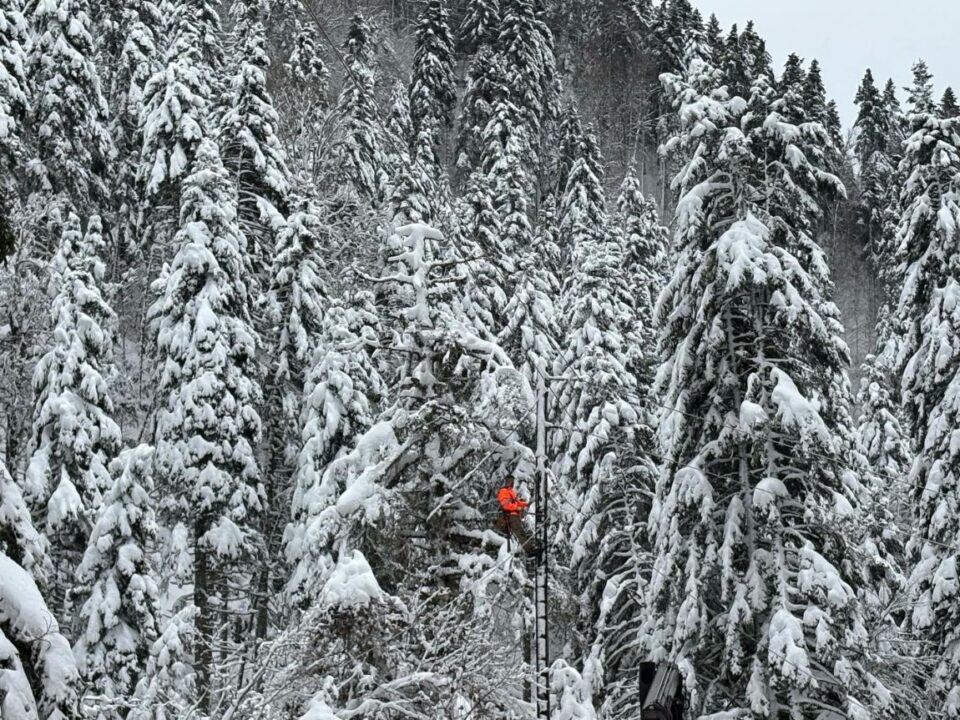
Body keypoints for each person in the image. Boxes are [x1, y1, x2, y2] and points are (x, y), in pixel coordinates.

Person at [496, 474, 533, 554]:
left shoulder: (511, 491)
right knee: (520, 534)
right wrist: (517, 507)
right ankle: (530, 551)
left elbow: (517, 502)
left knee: (522, 533)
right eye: (510, 481)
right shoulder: (504, 491)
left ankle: (529, 548)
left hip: (515, 516)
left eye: (513, 481)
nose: (512, 483)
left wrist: (526, 504)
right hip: (511, 516)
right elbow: (506, 505)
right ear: (507, 481)